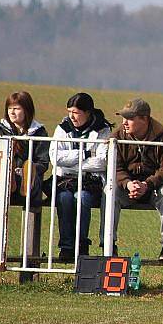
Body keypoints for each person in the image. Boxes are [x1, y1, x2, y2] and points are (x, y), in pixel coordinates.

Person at [110, 98, 163, 262]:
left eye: (130, 118)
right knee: (109, 191)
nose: (124, 122)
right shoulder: (117, 137)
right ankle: (108, 244)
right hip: (127, 187)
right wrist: (128, 184)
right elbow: (115, 167)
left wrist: (146, 184)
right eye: (123, 118)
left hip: (154, 187)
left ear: (145, 119)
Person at [50, 92, 112, 261]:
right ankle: (67, 246)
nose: (72, 116)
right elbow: (55, 157)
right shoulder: (62, 128)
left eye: (76, 112)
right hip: (65, 181)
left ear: (88, 112)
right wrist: (84, 153)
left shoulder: (103, 130)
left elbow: (101, 162)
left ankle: (81, 244)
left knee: (82, 198)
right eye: (69, 111)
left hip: (90, 182)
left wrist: (71, 163)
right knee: (65, 199)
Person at [0, 91, 50, 206]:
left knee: (29, 175)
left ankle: (19, 179)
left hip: (29, 186)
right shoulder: (0, 129)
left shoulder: (39, 132)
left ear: (27, 110)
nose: (12, 112)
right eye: (9, 108)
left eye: (16, 108)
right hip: (2, 183)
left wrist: (27, 170)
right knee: (2, 177)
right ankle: (10, 178)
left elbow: (43, 162)